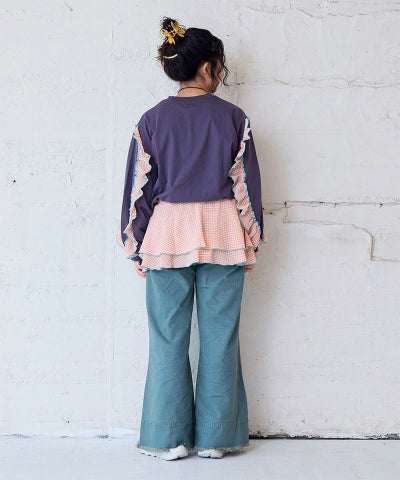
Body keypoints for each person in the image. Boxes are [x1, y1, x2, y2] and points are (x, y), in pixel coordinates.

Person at [117, 17, 267, 461]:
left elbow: (139, 188)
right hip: (223, 231)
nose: (221, 73)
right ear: (207, 67)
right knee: (221, 338)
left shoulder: (151, 120)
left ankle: (167, 439)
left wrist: (135, 245)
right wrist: (252, 238)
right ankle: (217, 439)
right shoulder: (234, 118)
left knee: (167, 337)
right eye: (220, 66)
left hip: (167, 234)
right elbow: (246, 185)